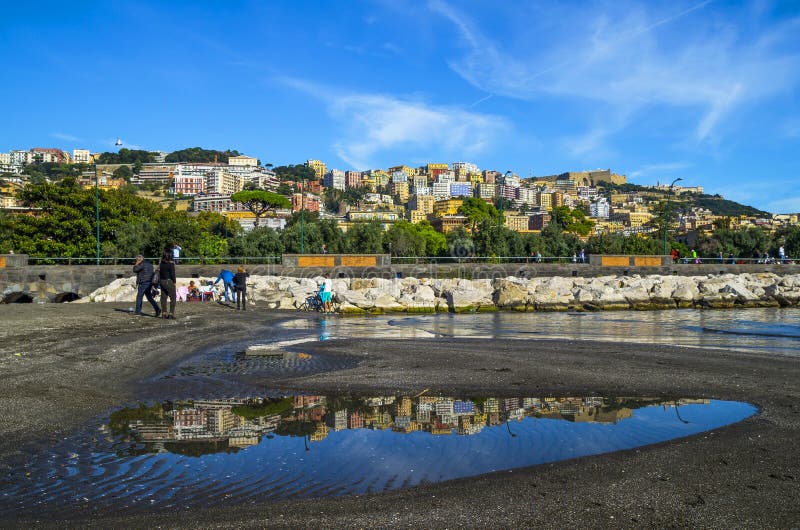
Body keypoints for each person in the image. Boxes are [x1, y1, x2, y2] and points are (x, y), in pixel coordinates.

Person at [158, 250, 177, 319]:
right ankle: (171, 314)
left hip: (162, 281)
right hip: (169, 281)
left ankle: (164, 313)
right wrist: (174, 282)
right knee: (173, 297)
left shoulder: (161, 264)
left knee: (163, 298)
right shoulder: (171, 264)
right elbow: (172, 274)